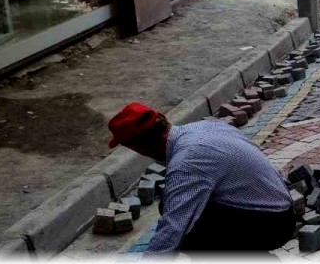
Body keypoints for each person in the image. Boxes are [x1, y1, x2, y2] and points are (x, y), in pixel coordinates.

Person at [106, 102, 294, 253]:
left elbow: (173, 228)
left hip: (272, 226)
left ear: (137, 148)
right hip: (283, 207)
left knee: (190, 234)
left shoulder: (186, 163)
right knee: (174, 204)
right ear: (162, 117)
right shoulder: (204, 126)